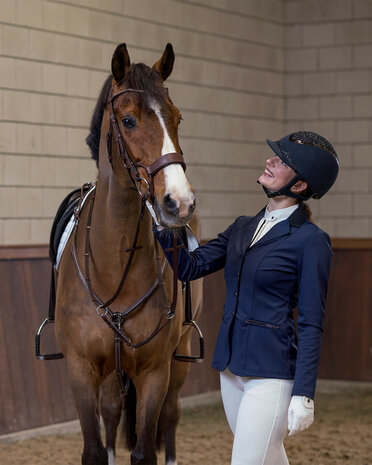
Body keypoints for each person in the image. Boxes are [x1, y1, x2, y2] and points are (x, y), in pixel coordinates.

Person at [154, 131, 339, 465]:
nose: (270, 160)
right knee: (267, 458)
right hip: (231, 368)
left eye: (282, 161)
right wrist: (164, 226)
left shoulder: (311, 241)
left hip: (271, 375)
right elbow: (189, 267)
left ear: (298, 186)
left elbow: (312, 323)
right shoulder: (242, 227)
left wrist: (304, 393)